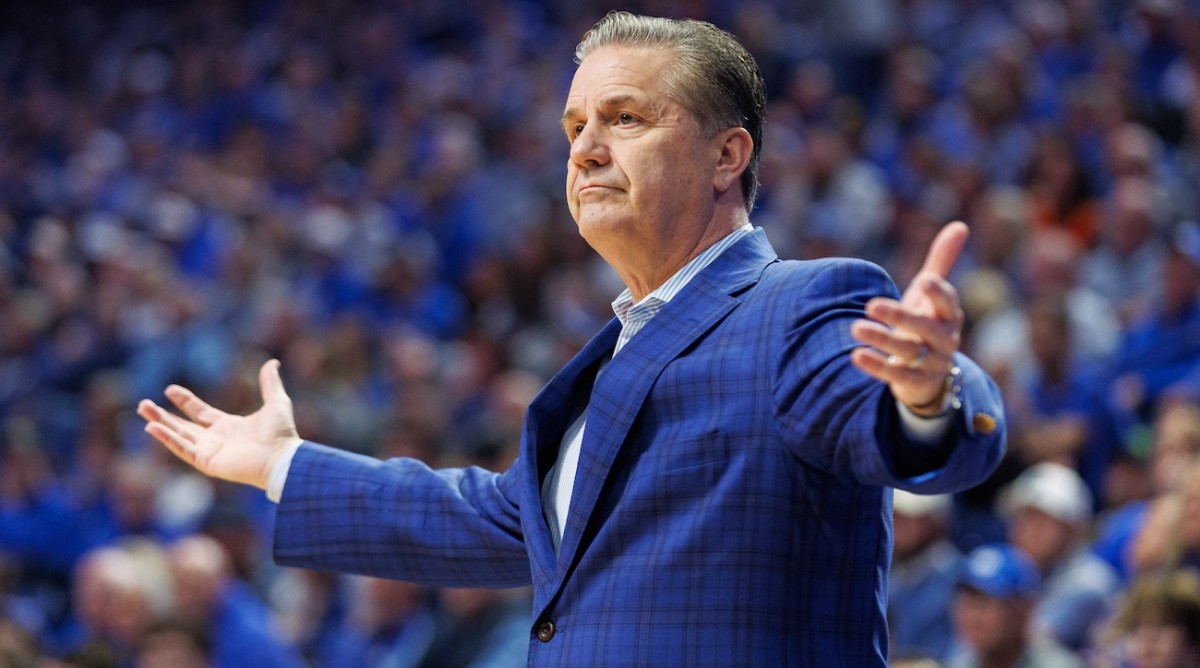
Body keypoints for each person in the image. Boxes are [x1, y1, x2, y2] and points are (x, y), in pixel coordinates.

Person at [137, 12, 1006, 665]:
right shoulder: (614, 357)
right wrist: (281, 466)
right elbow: (497, 521)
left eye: (625, 119)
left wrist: (928, 392)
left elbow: (909, 429)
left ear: (726, 155)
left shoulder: (802, 304)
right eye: (574, 127)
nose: (586, 149)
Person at [947, 544, 1082, 668]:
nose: (972, 616)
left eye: (983, 604)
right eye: (967, 602)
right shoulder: (960, 661)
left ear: (1023, 611)